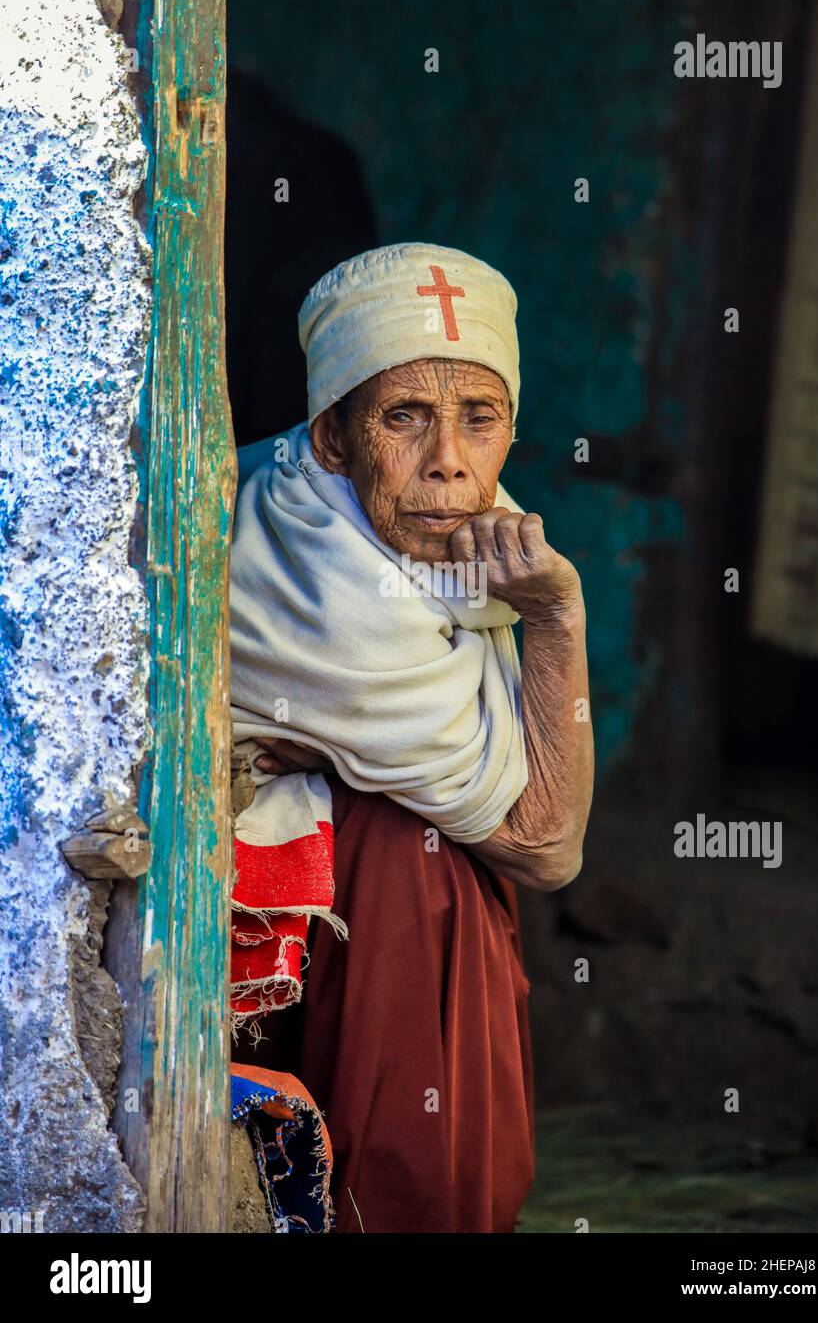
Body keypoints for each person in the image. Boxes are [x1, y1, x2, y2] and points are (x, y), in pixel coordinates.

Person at [229, 242, 593, 1232]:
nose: (447, 460)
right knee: (419, 853)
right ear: (334, 439)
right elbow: (545, 845)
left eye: (478, 419)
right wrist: (558, 620)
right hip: (278, 901)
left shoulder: (466, 534)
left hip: (364, 867)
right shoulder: (322, 576)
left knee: (425, 837)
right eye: (404, 418)